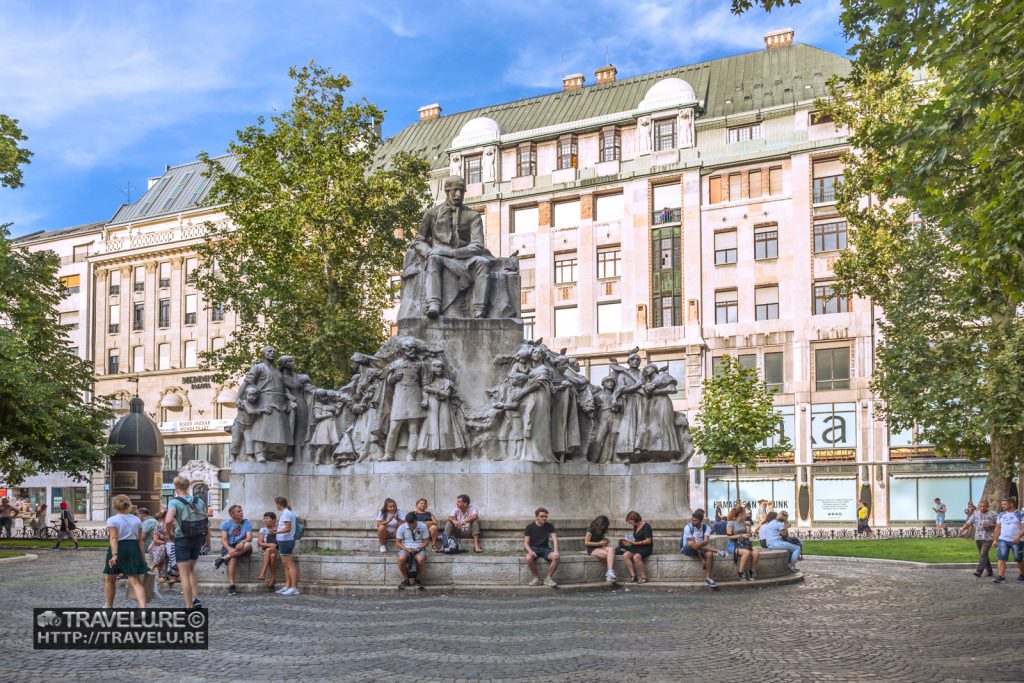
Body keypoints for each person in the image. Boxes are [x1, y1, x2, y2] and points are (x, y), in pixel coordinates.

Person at [165, 475, 208, 608]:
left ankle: (188, 606)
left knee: (183, 573)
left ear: (176, 487)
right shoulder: (199, 501)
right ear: (188, 486)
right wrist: (208, 540)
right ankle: (196, 598)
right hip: (198, 537)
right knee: (191, 569)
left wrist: (169, 534)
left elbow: (168, 520)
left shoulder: (174, 502)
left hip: (182, 537)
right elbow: (206, 521)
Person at [103, 494, 148, 608]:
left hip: (118, 548)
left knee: (110, 579)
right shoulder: (136, 519)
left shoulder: (112, 520)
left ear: (114, 506)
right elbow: (140, 541)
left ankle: (109, 606)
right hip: (133, 549)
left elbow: (113, 538)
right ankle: (143, 608)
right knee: (135, 581)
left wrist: (114, 555)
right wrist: (143, 558)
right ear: (129, 505)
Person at [681, 510, 727, 589]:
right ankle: (717, 551)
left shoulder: (706, 528)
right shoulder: (688, 528)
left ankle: (708, 578)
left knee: (709, 554)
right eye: (692, 520)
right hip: (687, 548)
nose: (693, 522)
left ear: (701, 521)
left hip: (699, 547)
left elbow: (705, 542)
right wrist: (702, 559)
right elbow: (695, 546)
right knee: (692, 544)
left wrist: (703, 543)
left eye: (695, 520)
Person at [214, 504, 253, 596]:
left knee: (248, 544)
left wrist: (242, 542)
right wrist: (229, 549)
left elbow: (249, 538)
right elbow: (223, 540)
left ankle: (222, 559)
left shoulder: (247, 523)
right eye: (239, 511)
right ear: (232, 514)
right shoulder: (225, 524)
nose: (241, 513)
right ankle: (231, 585)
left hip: (242, 547)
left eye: (241, 510)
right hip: (230, 546)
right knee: (233, 558)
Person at [524, 507, 560, 587]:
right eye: (542, 516)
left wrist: (556, 551)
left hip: (545, 549)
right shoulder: (530, 526)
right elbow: (526, 543)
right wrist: (530, 551)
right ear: (536, 516)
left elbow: (555, 539)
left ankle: (548, 579)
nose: (544, 518)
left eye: (545, 516)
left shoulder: (549, 525)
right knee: (529, 558)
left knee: (556, 557)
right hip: (533, 548)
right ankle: (536, 579)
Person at [960, 500, 997, 578]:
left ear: (987, 506)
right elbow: (969, 522)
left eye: (984, 506)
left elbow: (999, 524)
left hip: (989, 537)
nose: (982, 508)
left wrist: (991, 524)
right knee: (984, 555)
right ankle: (989, 571)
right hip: (978, 537)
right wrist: (963, 528)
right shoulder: (975, 513)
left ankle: (978, 571)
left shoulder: (993, 513)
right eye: (981, 506)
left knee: (983, 554)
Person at [991, 497, 1023, 584]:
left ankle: (1022, 574)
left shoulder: (1020, 514)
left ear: (1011, 504)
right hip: (1003, 540)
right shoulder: (1001, 514)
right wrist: (995, 540)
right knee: (1001, 558)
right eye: (1002, 504)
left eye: (1004, 504)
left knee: (1018, 559)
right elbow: (997, 527)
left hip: (1017, 541)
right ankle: (1001, 576)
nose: (1002, 506)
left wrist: (1018, 537)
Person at [396, 511, 430, 590]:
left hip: (419, 547)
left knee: (420, 560)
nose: (411, 525)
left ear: (416, 520)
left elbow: (426, 541)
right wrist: (405, 548)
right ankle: (406, 580)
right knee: (401, 558)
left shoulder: (423, 526)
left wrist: (421, 547)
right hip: (406, 547)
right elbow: (397, 543)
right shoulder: (402, 527)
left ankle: (417, 580)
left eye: (413, 523)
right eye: (409, 523)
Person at [616, 511, 653, 583]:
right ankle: (633, 576)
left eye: (630, 522)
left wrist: (636, 543)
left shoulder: (646, 526)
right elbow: (636, 537)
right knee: (625, 555)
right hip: (637, 546)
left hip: (646, 547)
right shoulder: (636, 526)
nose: (630, 523)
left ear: (633, 519)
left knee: (636, 557)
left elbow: (648, 541)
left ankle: (644, 577)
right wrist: (629, 541)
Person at [274, 497, 300, 595]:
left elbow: (287, 528)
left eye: (276, 504)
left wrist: (276, 531)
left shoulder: (286, 513)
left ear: (279, 504)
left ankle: (294, 587)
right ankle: (288, 585)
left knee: (290, 565)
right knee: (285, 565)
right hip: (283, 540)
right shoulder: (288, 513)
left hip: (286, 540)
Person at [726, 506, 760, 581]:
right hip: (733, 545)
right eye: (745, 512)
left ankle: (752, 572)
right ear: (741, 514)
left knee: (756, 553)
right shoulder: (731, 523)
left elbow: (746, 535)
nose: (746, 514)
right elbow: (729, 537)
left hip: (743, 544)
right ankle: (740, 572)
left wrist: (748, 529)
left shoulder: (743, 522)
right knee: (746, 552)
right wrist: (741, 535)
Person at [583, 515, 617, 582]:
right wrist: (599, 543)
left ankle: (609, 571)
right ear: (599, 523)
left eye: (605, 525)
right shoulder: (590, 530)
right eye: (603, 525)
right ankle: (609, 573)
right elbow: (586, 542)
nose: (604, 527)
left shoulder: (602, 530)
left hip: (600, 546)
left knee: (612, 550)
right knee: (608, 555)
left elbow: (601, 539)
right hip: (591, 548)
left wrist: (605, 541)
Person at [256, 511, 279, 591]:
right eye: (264, 518)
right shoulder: (263, 530)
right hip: (266, 551)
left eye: (267, 518)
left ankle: (263, 572)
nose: (265, 520)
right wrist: (269, 545)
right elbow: (259, 542)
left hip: (278, 551)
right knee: (271, 554)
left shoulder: (279, 529)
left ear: (273, 520)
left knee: (272, 553)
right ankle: (273, 577)